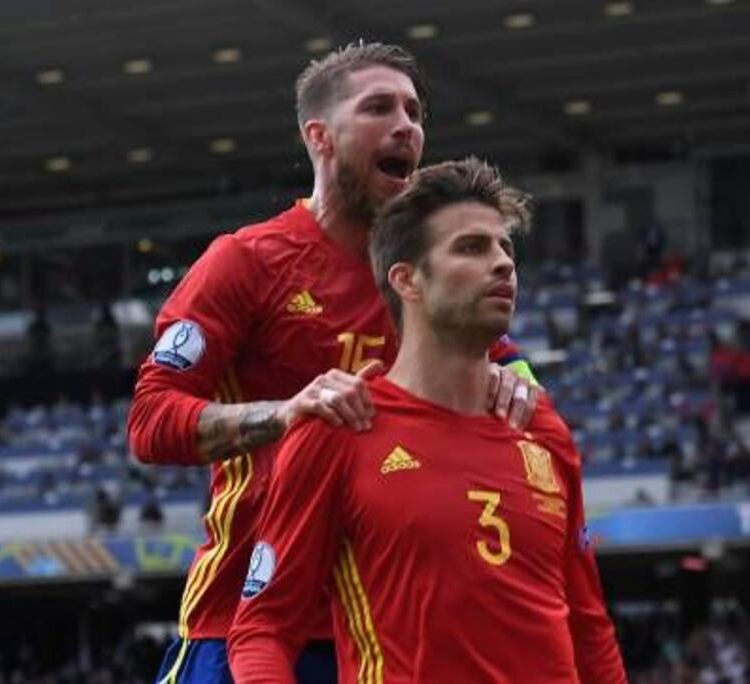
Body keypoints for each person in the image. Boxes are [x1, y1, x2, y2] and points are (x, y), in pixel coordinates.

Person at [127, 43, 539, 684]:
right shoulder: (247, 262)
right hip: (241, 621)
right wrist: (287, 414)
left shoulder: (424, 278)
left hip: (385, 636)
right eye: (379, 107)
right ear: (319, 136)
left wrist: (520, 387)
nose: (407, 124)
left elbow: (510, 366)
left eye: (414, 109)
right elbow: (150, 422)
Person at [229, 158, 626, 683]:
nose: (504, 263)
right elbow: (262, 630)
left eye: (506, 248)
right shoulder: (339, 429)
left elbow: (589, 631)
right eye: (471, 248)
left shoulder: (542, 428)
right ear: (407, 280)